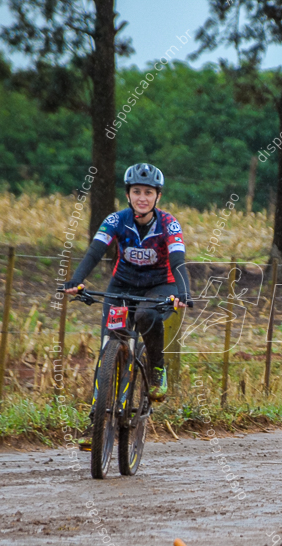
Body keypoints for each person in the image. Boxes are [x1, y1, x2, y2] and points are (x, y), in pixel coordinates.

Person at [64, 163, 191, 451]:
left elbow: (178, 259)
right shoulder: (116, 220)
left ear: (158, 196)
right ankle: (95, 421)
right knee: (109, 344)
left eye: (148, 192)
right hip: (121, 287)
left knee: (147, 315)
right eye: (136, 192)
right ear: (128, 194)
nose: (142, 198)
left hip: (160, 286)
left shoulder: (168, 223)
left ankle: (158, 369)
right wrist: (76, 279)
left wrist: (183, 292)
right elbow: (96, 251)